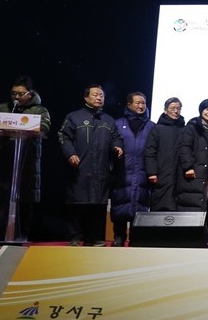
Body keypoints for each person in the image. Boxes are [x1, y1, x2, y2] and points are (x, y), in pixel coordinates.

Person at [57, 84, 123, 246]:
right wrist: (70, 153)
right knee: (77, 203)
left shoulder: (108, 120)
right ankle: (74, 237)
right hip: (79, 168)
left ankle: (93, 238)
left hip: (101, 170)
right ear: (86, 97)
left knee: (97, 205)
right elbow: (63, 136)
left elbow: (117, 137)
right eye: (95, 95)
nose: (99, 97)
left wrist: (117, 146)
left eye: (102, 95)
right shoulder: (74, 117)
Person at [0, 75, 51, 241]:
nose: (16, 97)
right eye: (13, 93)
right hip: (4, 162)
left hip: (28, 163)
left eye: (20, 94)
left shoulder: (39, 110)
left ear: (30, 93)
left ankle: (22, 234)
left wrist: (21, 127)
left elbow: (45, 127)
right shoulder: (2, 108)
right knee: (1, 199)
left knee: (25, 200)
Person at [110, 92, 154, 246]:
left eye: (143, 103)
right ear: (129, 105)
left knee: (140, 207)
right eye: (137, 103)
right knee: (120, 205)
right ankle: (119, 237)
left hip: (142, 172)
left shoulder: (151, 126)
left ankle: (137, 238)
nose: (141, 106)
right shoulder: (117, 124)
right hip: (122, 172)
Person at [176, 98, 208, 244]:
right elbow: (184, 148)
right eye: (207, 109)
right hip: (193, 173)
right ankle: (190, 238)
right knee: (191, 204)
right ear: (201, 111)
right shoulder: (192, 127)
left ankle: (204, 237)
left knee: (205, 207)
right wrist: (188, 167)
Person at [143, 97, 185, 212]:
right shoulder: (157, 129)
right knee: (161, 204)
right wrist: (152, 172)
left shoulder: (185, 129)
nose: (176, 111)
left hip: (180, 174)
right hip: (162, 173)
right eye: (172, 108)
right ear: (165, 110)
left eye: (178, 108)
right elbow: (150, 151)